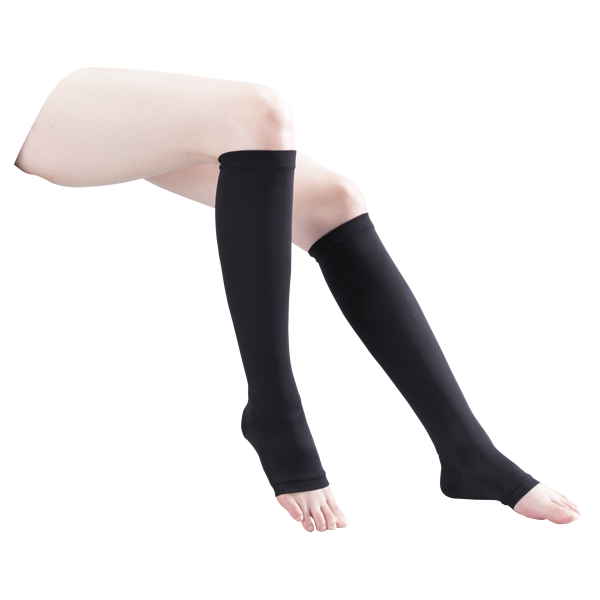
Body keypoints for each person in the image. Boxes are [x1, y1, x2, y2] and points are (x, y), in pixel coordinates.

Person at [14, 67, 580, 529]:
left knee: (333, 200)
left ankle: (467, 453)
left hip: (96, 78)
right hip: (26, 94)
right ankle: (275, 417)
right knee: (255, 112)